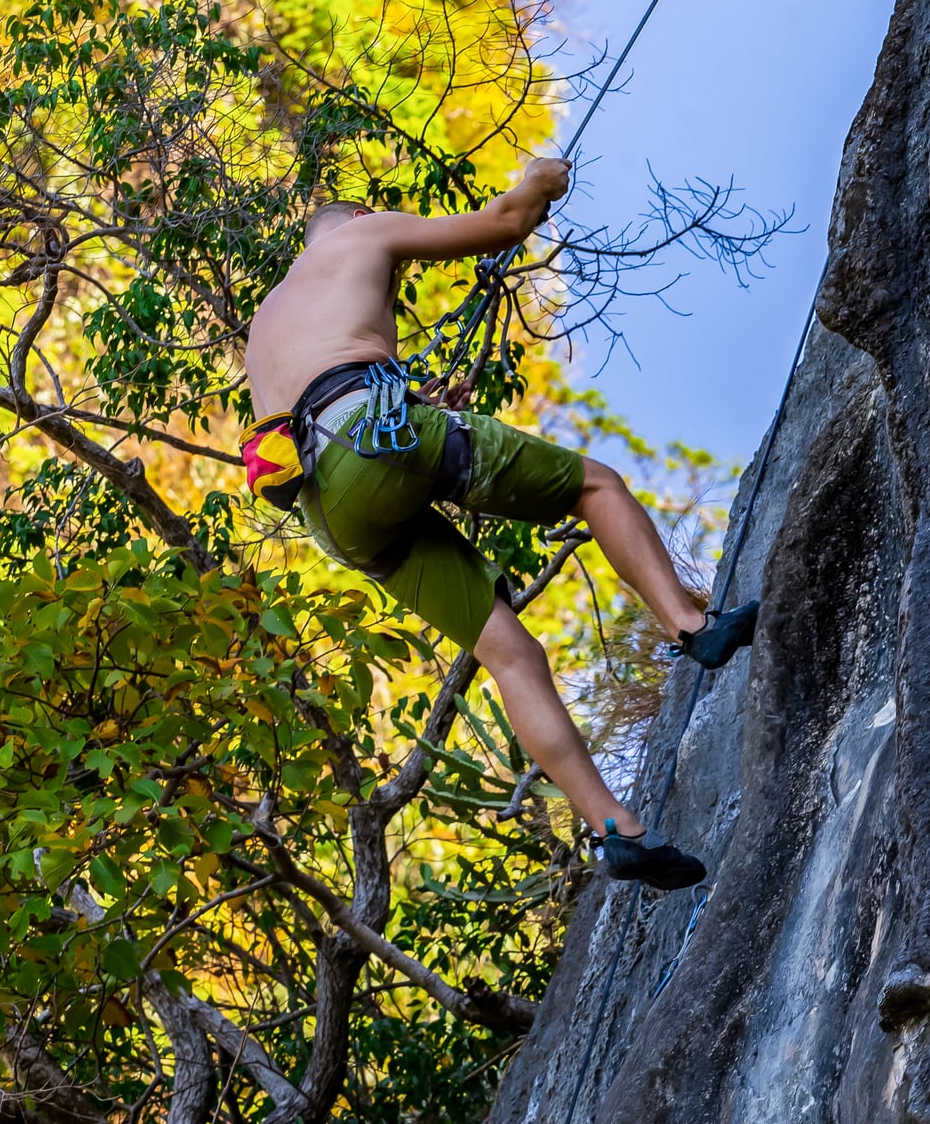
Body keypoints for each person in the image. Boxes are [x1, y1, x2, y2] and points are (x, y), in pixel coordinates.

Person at [240, 158, 757, 891]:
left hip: (330, 506)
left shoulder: (269, 316)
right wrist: (541, 182)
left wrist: (419, 403)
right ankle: (689, 623)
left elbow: (325, 382)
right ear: (357, 222)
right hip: (372, 436)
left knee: (510, 653)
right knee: (595, 486)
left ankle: (615, 829)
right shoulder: (357, 237)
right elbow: (506, 223)